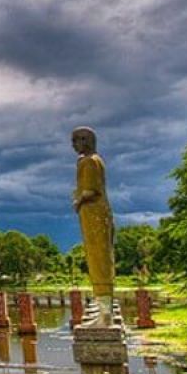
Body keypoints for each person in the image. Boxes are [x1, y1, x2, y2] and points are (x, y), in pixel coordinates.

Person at [71, 127, 116, 326]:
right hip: (94, 215)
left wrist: (78, 200)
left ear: (84, 140)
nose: (73, 145)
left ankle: (105, 314)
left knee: (98, 258)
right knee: (98, 256)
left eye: (76, 140)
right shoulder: (92, 160)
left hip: (94, 215)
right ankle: (103, 308)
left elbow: (90, 190)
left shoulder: (89, 161)